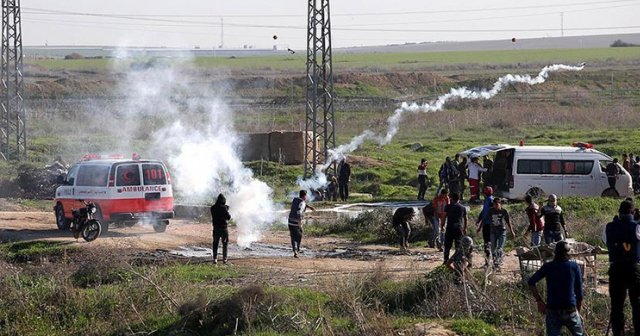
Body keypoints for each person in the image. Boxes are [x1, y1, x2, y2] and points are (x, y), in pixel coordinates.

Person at [528, 241, 584, 336]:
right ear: (568, 253)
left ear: (555, 253)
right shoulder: (574, 266)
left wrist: (539, 300)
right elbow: (579, 294)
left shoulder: (548, 266)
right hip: (570, 309)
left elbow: (531, 282)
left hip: (552, 310)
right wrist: (578, 312)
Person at [602, 199, 640, 336]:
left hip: (616, 268)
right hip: (633, 267)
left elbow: (605, 241)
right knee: (637, 302)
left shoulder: (610, 226)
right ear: (633, 211)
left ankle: (618, 332)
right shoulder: (636, 226)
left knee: (617, 305)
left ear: (619, 212)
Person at [487, 198, 515, 269]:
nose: (496, 205)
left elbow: (508, 222)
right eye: (494, 204)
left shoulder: (504, 211)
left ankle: (498, 262)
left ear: (500, 204)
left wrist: (512, 231)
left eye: (497, 204)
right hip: (493, 231)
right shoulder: (490, 211)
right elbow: (489, 220)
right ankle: (494, 262)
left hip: (502, 231)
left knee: (500, 248)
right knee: (493, 248)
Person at [288, 190, 316, 258]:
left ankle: (295, 250)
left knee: (293, 236)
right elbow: (299, 211)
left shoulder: (295, 200)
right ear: (304, 196)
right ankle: (297, 250)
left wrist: (309, 207)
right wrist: (300, 221)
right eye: (306, 196)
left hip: (290, 221)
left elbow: (303, 204)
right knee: (299, 235)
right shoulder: (302, 202)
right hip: (296, 222)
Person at [443, 192, 468, 262]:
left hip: (449, 228)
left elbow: (444, 217)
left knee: (447, 246)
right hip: (458, 228)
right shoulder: (463, 208)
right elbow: (466, 219)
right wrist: (465, 228)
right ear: (458, 199)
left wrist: (442, 225)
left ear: (451, 199)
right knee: (458, 246)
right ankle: (458, 260)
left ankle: (446, 260)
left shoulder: (448, 206)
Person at [475, 186, 495, 264]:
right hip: (486, 224)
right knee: (487, 242)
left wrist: (480, 225)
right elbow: (483, 211)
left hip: (489, 225)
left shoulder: (490, 200)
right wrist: (479, 219)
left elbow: (487, 214)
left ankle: (490, 261)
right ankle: (488, 260)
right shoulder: (487, 200)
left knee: (488, 242)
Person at [211, 193, 231, 264]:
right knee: (225, 243)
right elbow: (228, 217)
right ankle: (224, 259)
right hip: (223, 228)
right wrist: (226, 209)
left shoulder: (212, 208)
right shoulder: (224, 208)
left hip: (215, 228)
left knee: (215, 243)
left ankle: (215, 258)